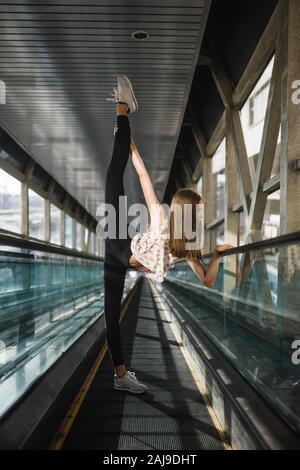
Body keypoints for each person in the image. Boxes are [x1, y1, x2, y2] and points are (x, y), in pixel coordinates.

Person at [104, 74, 233, 394]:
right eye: (198, 210)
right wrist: (130, 145)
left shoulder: (187, 248)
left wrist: (216, 256)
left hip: (124, 255)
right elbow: (143, 174)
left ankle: (121, 377)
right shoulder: (161, 219)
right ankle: (123, 108)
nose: (201, 215)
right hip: (119, 239)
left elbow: (206, 279)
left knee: (111, 313)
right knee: (115, 172)